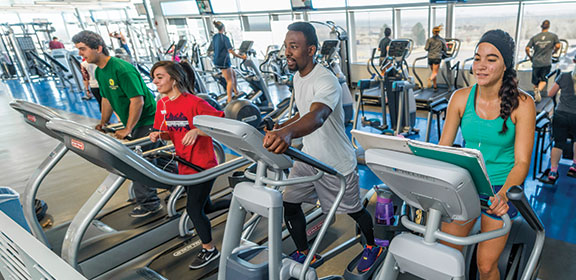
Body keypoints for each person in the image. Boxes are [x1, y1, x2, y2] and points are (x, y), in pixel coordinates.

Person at [263, 22, 382, 273]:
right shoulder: (297, 77)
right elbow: (301, 113)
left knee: (354, 211)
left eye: (294, 47)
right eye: (286, 46)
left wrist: (288, 133)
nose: (287, 52)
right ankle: (306, 253)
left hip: (335, 163)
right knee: (290, 204)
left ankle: (373, 246)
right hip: (308, 158)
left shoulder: (326, 80)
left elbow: (317, 116)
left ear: (311, 50)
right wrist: (281, 126)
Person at [439, 29, 535, 280]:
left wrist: (504, 194)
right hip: (466, 183)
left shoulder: (523, 104)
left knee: (485, 265)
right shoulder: (459, 98)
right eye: (477, 57)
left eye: (491, 59)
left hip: (500, 187)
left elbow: (523, 161)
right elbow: (443, 149)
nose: (480, 66)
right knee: (448, 254)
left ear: (506, 66)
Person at [72, 30, 163, 218]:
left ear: (98, 48)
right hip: (135, 121)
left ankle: (150, 204)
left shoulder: (122, 68)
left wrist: (128, 128)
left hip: (148, 119)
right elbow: (106, 98)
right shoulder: (100, 71)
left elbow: (137, 100)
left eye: (83, 49)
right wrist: (103, 122)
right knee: (157, 156)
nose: (80, 54)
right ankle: (184, 182)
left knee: (138, 161)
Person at [149, 60, 228, 269]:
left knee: (193, 209)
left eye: (159, 77)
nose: (155, 81)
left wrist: (198, 130)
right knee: (206, 206)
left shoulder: (194, 102)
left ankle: (209, 250)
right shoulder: (162, 104)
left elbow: (222, 122)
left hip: (203, 165)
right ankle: (241, 202)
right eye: (154, 77)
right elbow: (170, 133)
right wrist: (159, 134)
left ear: (174, 79)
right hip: (183, 165)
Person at [545, 55, 576, 181]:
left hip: (561, 115)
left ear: (574, 61)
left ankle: (553, 171)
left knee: (558, 143)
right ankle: (574, 165)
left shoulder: (564, 76)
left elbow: (550, 94)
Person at [525, 20, 560, 102]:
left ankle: (536, 95)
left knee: (535, 82)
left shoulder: (535, 37)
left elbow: (527, 48)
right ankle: (538, 91)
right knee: (544, 80)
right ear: (548, 26)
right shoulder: (553, 36)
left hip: (536, 62)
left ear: (541, 26)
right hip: (546, 62)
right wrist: (553, 52)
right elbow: (558, 45)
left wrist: (530, 57)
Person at [212, 21, 246, 103]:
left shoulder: (215, 37)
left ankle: (236, 91)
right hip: (224, 61)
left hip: (217, 59)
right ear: (223, 28)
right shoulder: (225, 38)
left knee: (233, 74)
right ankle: (229, 99)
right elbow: (230, 51)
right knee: (230, 80)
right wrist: (241, 57)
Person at [424, 25, 447, 91]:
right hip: (437, 57)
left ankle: (435, 86)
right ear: (438, 32)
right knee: (435, 73)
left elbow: (426, 48)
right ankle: (430, 79)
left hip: (430, 57)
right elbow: (445, 49)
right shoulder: (442, 40)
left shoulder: (429, 39)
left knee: (433, 72)